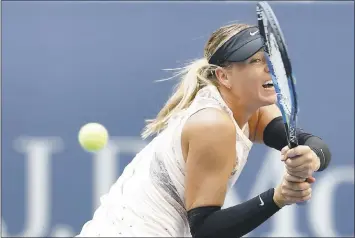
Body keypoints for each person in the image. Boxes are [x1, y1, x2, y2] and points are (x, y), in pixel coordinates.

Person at [76, 23, 331, 237]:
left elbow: (311, 143)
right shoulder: (212, 124)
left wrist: (312, 157)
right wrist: (278, 197)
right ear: (224, 77)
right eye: (254, 60)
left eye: (270, 59)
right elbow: (206, 230)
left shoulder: (254, 109)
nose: (269, 68)